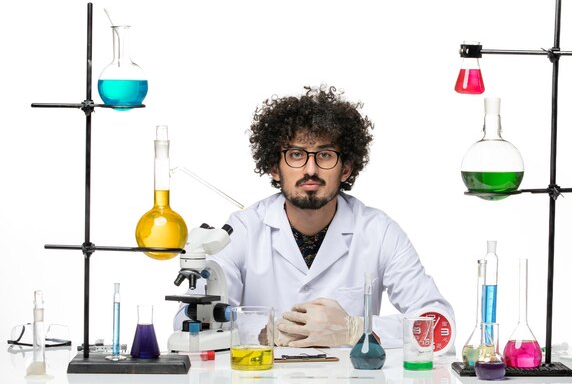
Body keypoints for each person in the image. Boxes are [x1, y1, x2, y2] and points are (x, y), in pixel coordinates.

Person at [174, 85, 454, 349]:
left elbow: (441, 327)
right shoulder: (242, 230)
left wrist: (356, 329)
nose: (310, 169)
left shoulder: (379, 232)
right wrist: (265, 330)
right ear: (274, 167)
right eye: (296, 154)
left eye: (325, 155)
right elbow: (187, 319)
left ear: (345, 169)